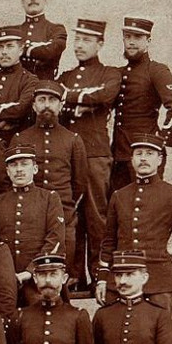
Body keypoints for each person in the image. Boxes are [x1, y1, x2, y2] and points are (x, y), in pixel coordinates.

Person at [96, 133, 172, 308]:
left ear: (160, 159)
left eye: (149, 154)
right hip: (122, 278)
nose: (143, 159)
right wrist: (102, 279)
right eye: (139, 154)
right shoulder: (119, 196)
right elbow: (109, 242)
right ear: (132, 159)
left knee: (161, 332)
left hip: (159, 279)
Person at [59, 19, 123, 290]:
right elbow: (58, 100)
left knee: (97, 215)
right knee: (71, 215)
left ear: (100, 44)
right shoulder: (65, 77)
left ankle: (100, 272)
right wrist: (82, 102)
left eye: (86, 40)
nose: (80, 45)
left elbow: (106, 95)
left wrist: (72, 99)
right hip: (70, 155)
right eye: (77, 40)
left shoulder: (110, 73)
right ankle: (74, 274)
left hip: (95, 154)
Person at [8, 81, 89, 278]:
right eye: (41, 100)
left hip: (63, 213)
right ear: (34, 105)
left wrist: (66, 207)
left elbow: (79, 183)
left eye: (52, 100)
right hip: (29, 213)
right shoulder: (20, 138)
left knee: (60, 270)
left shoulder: (72, 140)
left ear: (61, 105)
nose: (46, 105)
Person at [109, 17, 172, 195]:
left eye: (137, 37)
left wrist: (160, 141)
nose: (131, 42)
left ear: (148, 41)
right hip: (119, 154)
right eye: (127, 37)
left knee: (146, 207)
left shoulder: (156, 70)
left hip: (145, 154)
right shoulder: (119, 73)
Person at [0, 147, 65, 306]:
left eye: (24, 164)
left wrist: (29, 272)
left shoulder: (49, 198)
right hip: (7, 281)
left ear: (35, 169)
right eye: (14, 166)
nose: (19, 170)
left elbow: (55, 239)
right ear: (8, 172)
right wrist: (5, 274)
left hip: (40, 280)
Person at [0, 24, 41, 141]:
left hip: (16, 143)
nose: (4, 52)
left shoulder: (30, 80)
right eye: (0, 47)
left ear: (21, 50)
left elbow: (21, 108)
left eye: (9, 46)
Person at [15, 0, 68, 81]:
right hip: (16, 88)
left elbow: (52, 49)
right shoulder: (15, 32)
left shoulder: (56, 29)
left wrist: (20, 49)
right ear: (22, 2)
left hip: (44, 88)